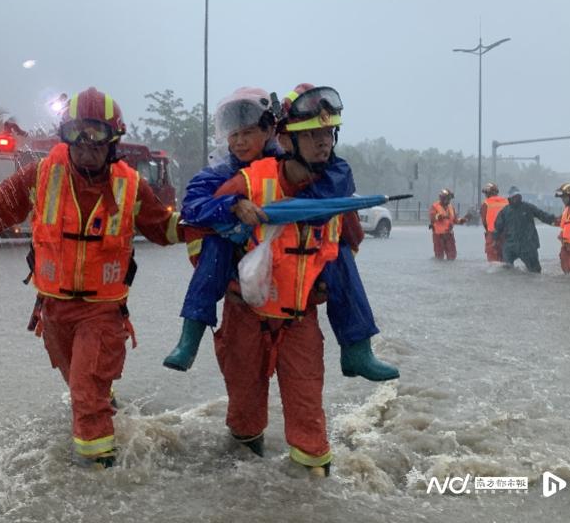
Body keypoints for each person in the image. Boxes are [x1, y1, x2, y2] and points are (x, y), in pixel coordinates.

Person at [0, 87, 182, 469]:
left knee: (85, 397)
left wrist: (210, 225)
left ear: (113, 141)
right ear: (64, 137)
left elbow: (166, 230)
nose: (86, 146)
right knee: (80, 385)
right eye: (77, 135)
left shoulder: (131, 186)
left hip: (103, 313)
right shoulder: (41, 177)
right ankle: (106, 406)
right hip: (54, 312)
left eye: (96, 136)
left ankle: (97, 477)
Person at [163, 86, 399, 384]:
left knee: (307, 411)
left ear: (273, 133)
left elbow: (348, 230)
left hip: (298, 302)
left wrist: (299, 210)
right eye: (234, 135)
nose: (240, 141)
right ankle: (190, 337)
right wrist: (232, 206)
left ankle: (356, 347)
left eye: (248, 132)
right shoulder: (222, 176)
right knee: (244, 412)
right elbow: (193, 207)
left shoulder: (317, 170)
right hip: (243, 299)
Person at [206, 84, 369, 477]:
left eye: (327, 134)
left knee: (308, 414)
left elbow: (351, 240)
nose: (322, 143)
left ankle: (311, 491)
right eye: (312, 134)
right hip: (246, 314)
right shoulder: (251, 179)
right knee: (244, 414)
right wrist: (232, 216)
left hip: (300, 318)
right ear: (285, 139)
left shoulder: (338, 188)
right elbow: (203, 223)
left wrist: (325, 274)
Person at [493, 186, 558, 273]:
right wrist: (494, 239)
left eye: (517, 196)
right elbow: (498, 227)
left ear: (520, 196)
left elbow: (542, 215)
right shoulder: (505, 211)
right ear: (510, 198)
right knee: (507, 270)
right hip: (511, 245)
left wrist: (554, 220)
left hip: (528, 245)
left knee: (535, 272)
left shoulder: (528, 207)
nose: (515, 198)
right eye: (513, 197)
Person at [429, 188, 467, 260]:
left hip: (449, 235)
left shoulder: (451, 207)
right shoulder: (435, 206)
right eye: (447, 198)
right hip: (438, 235)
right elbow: (432, 218)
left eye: (449, 199)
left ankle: (450, 269)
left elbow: (455, 219)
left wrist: (461, 220)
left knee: (452, 255)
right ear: (442, 198)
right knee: (439, 256)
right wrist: (439, 217)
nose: (449, 200)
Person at [480, 182, 508, 262]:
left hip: (492, 235)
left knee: (493, 263)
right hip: (506, 235)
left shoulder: (485, 204)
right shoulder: (506, 202)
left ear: (488, 193)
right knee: (506, 261)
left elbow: (484, 222)